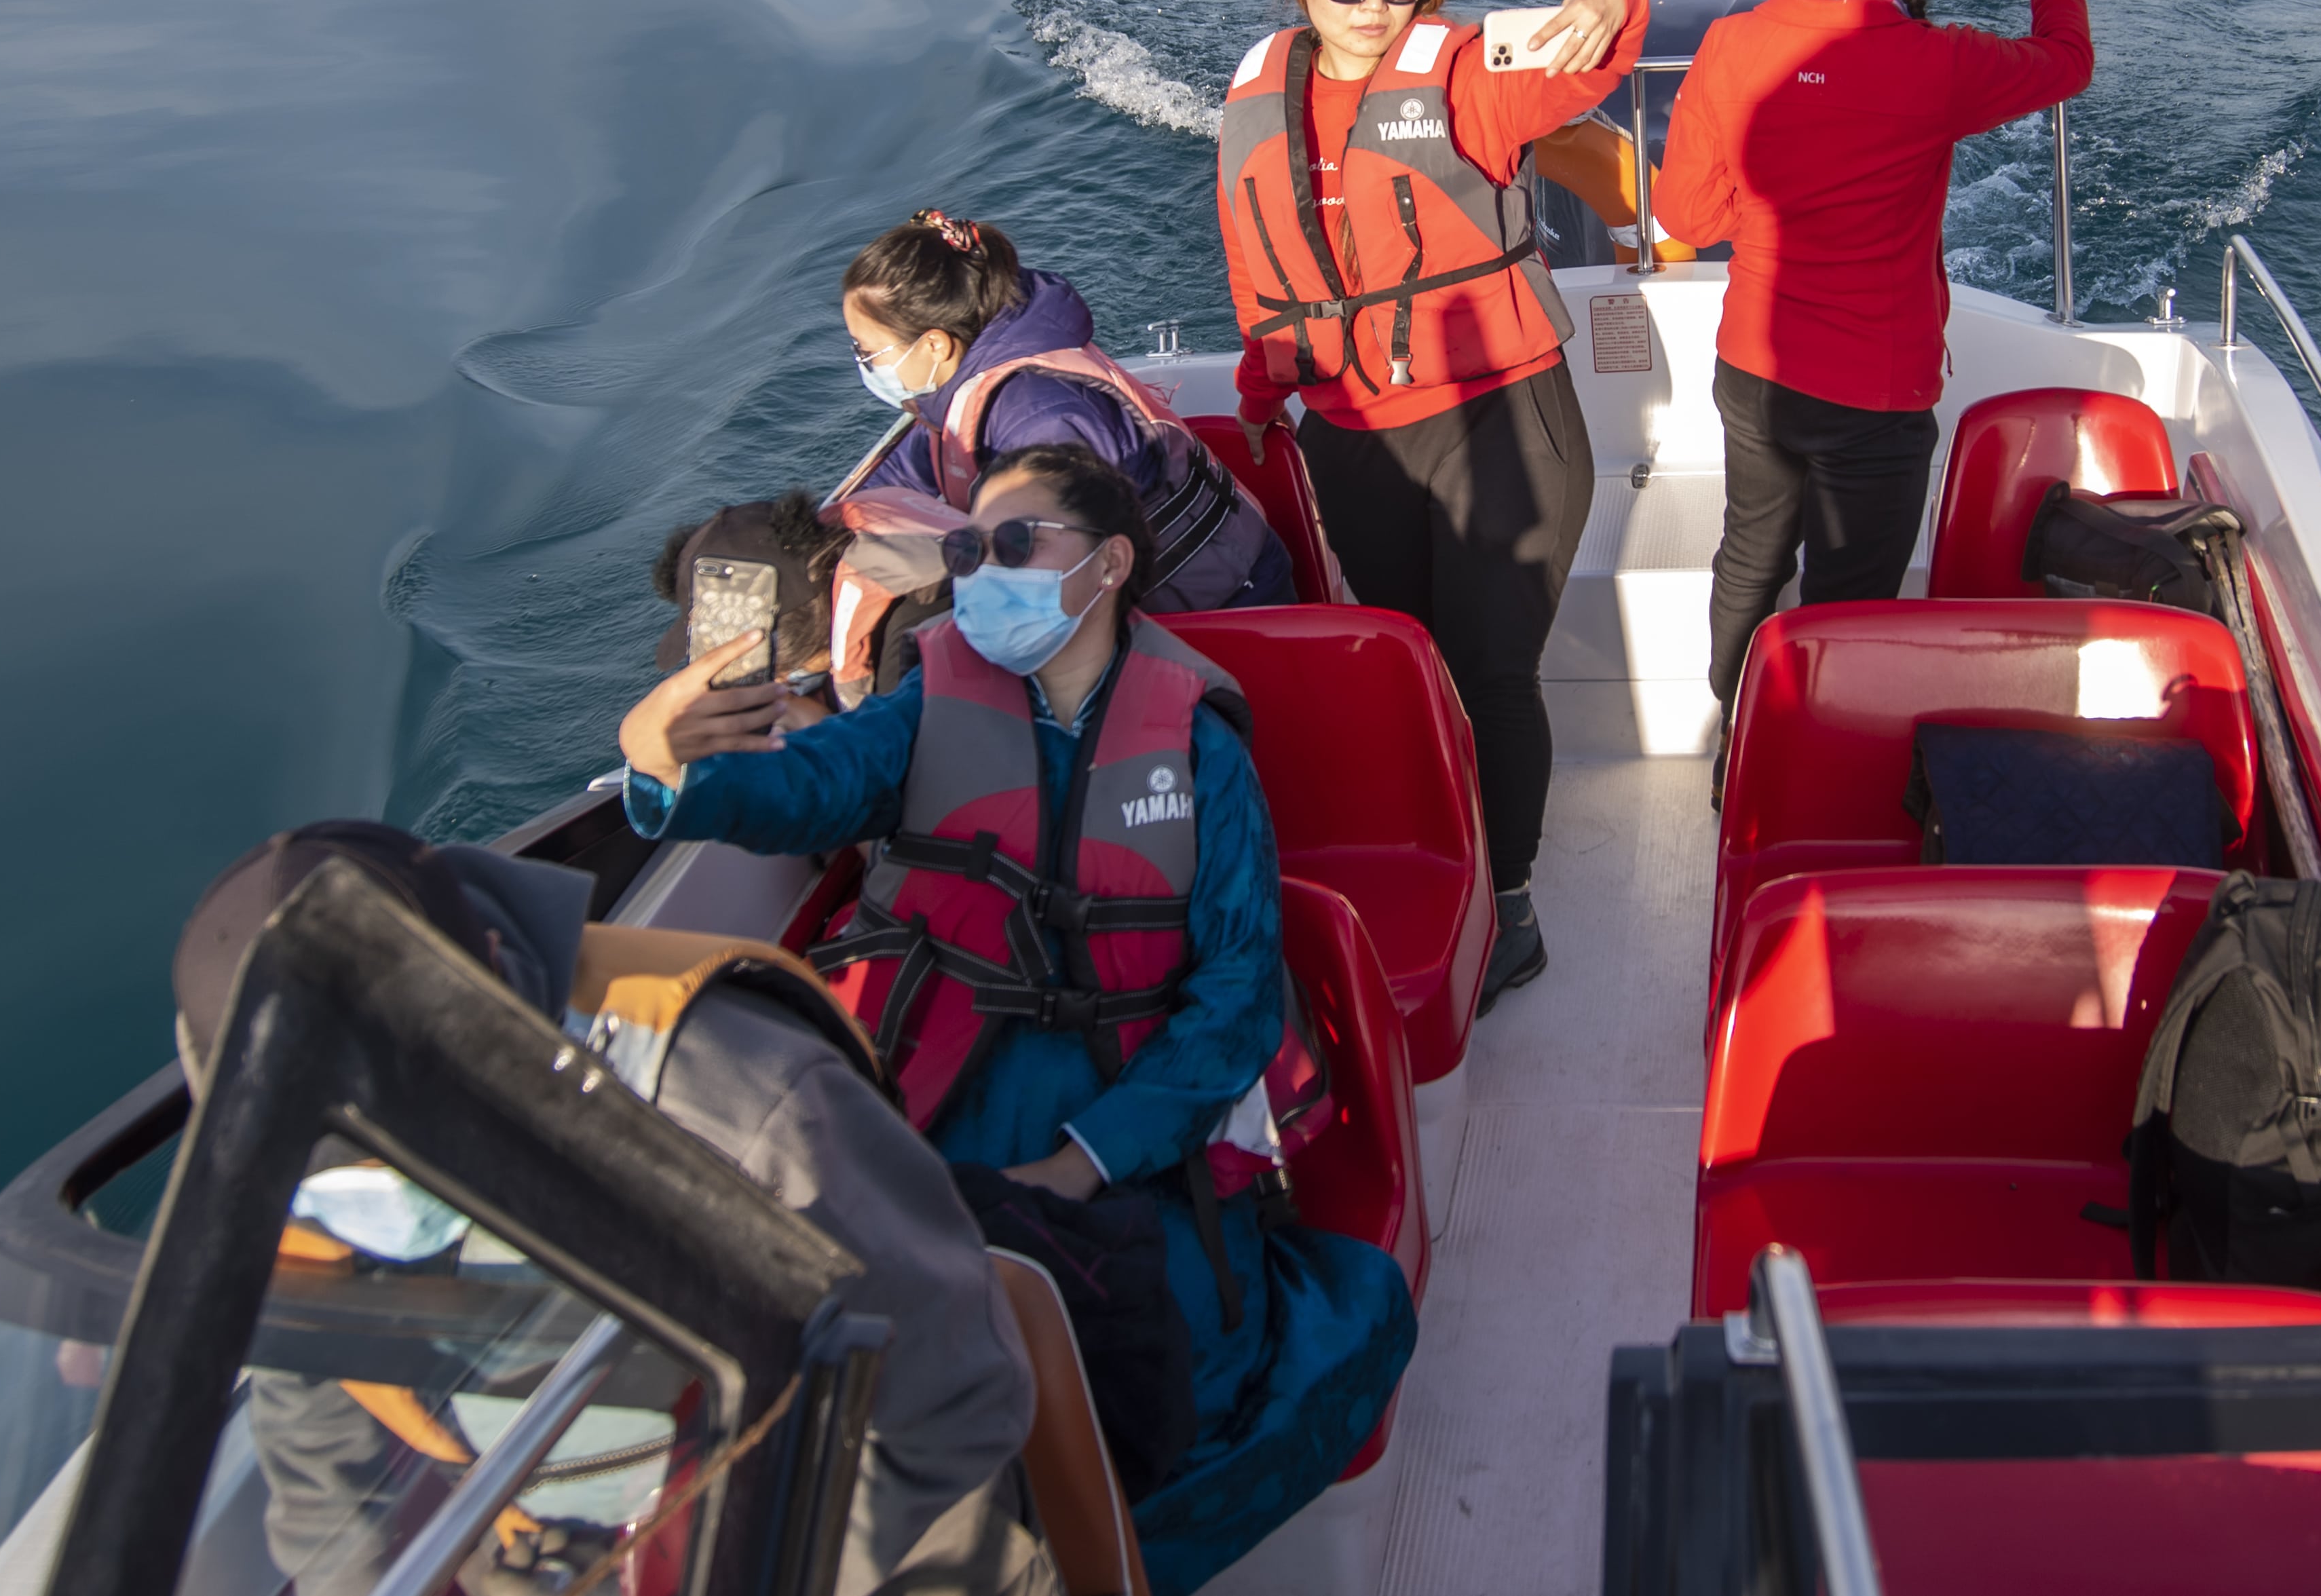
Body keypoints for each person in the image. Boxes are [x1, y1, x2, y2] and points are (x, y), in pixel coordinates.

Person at [617, 442, 1415, 1595]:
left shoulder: (1199, 747)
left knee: (1170, 1382)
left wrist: (1085, 1163)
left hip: (1131, 1129)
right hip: (931, 1099)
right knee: (872, 1360)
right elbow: (807, 786)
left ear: (1109, 564)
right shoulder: (922, 704)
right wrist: (665, 768)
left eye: (1012, 543)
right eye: (964, 549)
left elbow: (1236, 996)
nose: (980, 570)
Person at [172, 820, 1053, 1596]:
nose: (378, 1196)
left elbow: (948, 1405)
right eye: (336, 1170)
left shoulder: (740, 1111)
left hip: (844, 1532)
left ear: (493, 986)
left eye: (411, 1146)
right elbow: (318, 1449)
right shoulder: (275, 1173)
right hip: (555, 1533)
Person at [1212, 0, 1648, 1008]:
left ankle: (1509, 906)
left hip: (1501, 422)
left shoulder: (1465, 79)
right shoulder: (1255, 95)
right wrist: (1261, 399)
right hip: (1354, 436)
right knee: (1418, 665)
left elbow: (1596, 58)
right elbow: (1257, 272)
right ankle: (1445, 854)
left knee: (1492, 672)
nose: (1374, 5)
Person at [1654, 0, 2093, 755]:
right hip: (1875, 389)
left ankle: (1738, 740)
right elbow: (2066, 59)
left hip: (1753, 367)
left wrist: (1770, 214)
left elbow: (1687, 216)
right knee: (1846, 595)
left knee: (1750, 554)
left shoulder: (1731, 44)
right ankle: (1812, 759)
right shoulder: (1940, 63)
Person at [848, 208, 1291, 616]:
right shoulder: (957, 391)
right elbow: (903, 476)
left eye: (867, 351)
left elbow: (1066, 555)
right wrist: (834, 528)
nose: (863, 363)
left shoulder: (1044, 415)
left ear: (934, 345)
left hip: (1227, 597)